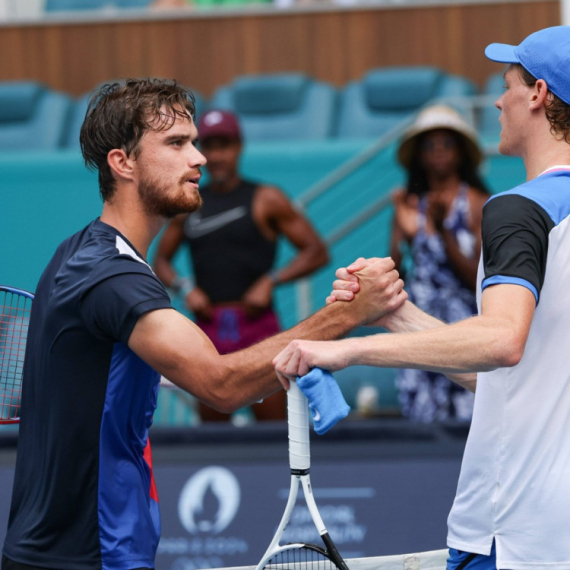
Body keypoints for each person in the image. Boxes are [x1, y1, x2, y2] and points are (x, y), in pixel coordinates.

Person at [1, 78, 406, 570]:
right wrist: (348, 314)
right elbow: (222, 383)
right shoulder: (110, 277)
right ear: (122, 163)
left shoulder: (79, 252)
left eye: (195, 143)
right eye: (177, 144)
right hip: (89, 554)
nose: (199, 158)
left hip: (60, 549)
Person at [274, 26, 570, 570]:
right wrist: (395, 314)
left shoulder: (516, 209)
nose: (499, 100)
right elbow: (514, 377)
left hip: (516, 535)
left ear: (539, 94)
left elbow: (502, 342)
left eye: (507, 84)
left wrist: (347, 350)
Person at [154, 109, 328, 422]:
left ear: (239, 148)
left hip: (258, 327)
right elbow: (161, 261)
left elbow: (316, 251)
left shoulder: (265, 199)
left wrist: (271, 280)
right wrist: (185, 287)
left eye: (225, 145)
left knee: (276, 429)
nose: (217, 155)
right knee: (214, 432)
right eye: (210, 146)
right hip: (207, 331)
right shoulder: (189, 203)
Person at [390, 105, 489, 422]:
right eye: (430, 145)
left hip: (462, 321)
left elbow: (479, 276)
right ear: (419, 156)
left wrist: (443, 229)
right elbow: (397, 269)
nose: (439, 152)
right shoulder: (408, 204)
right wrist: (400, 237)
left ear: (460, 153)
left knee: (467, 409)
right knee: (422, 408)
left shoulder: (477, 203)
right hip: (418, 317)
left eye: (447, 144)